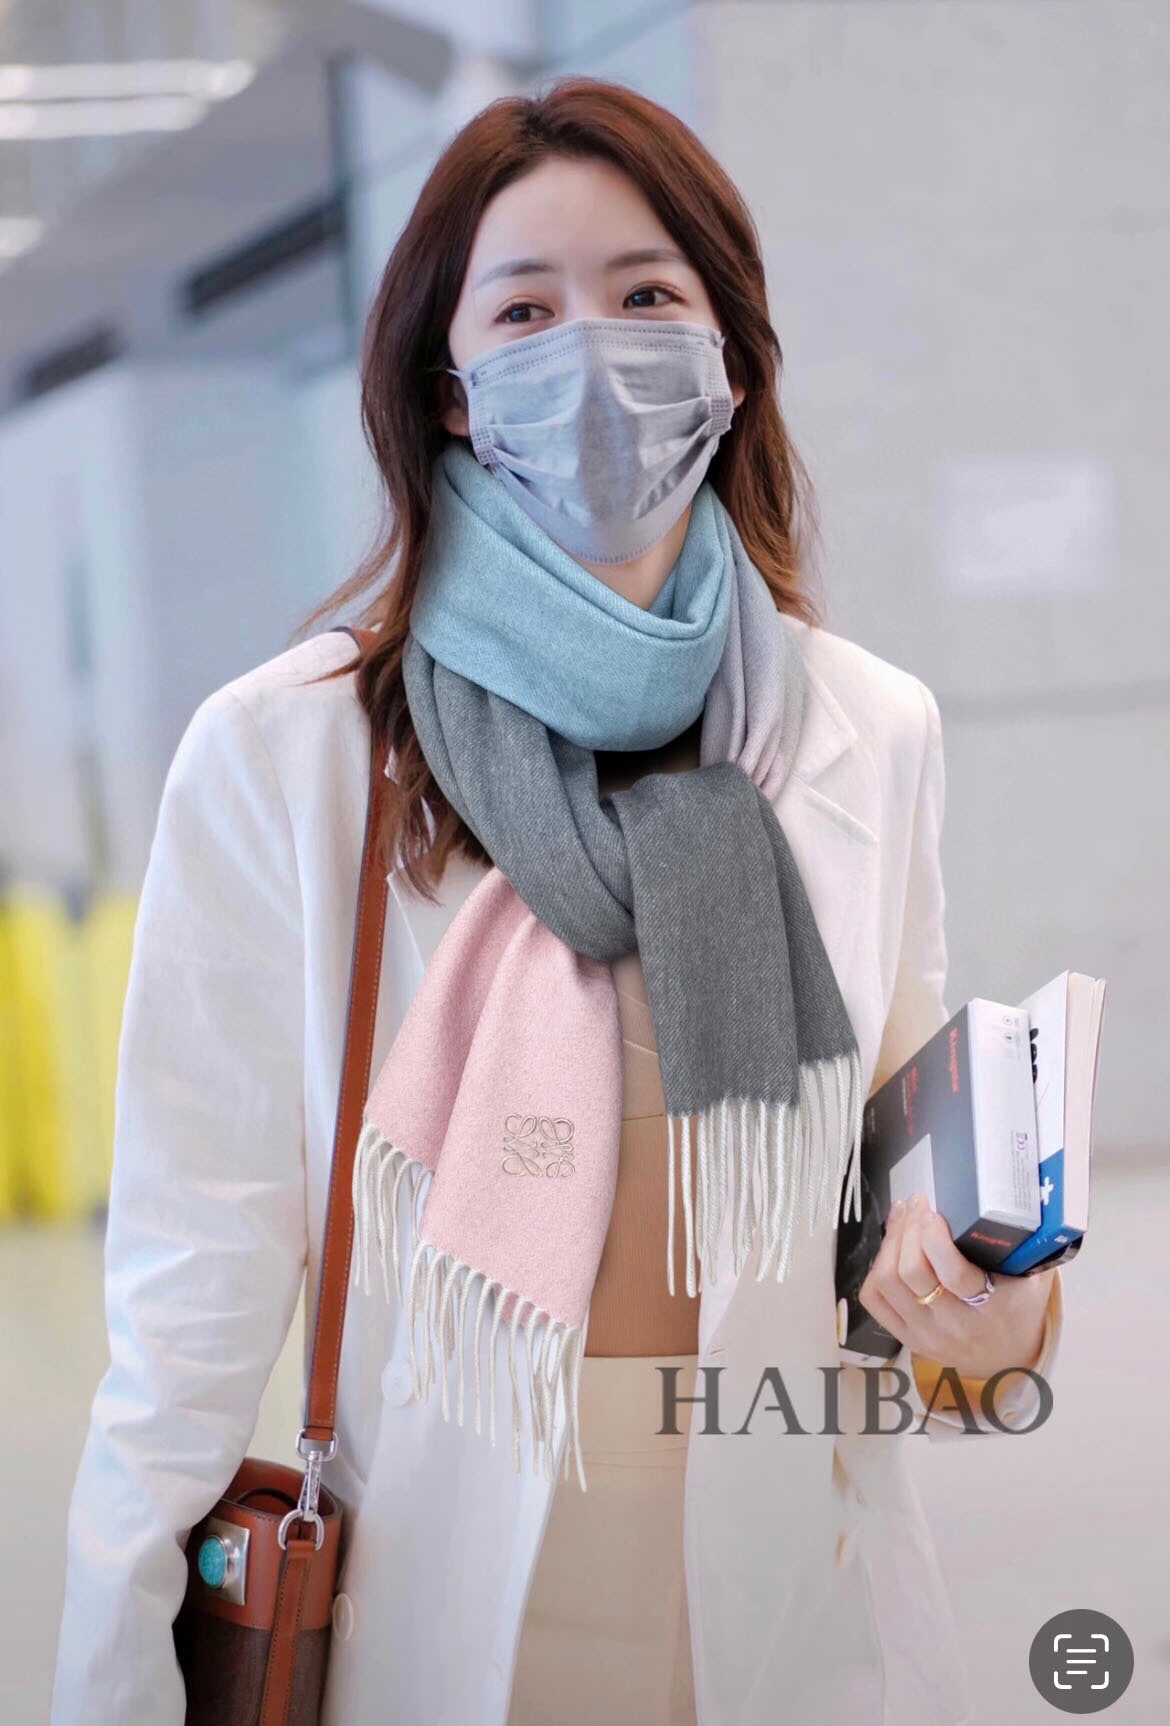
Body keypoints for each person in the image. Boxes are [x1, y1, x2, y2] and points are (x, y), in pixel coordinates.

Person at [50, 75, 1063, 1726]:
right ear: (450, 393)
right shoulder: (291, 755)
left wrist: (996, 1313)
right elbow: (187, 1307)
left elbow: (895, 1235)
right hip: (437, 1609)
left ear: (729, 363)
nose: (592, 353)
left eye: (647, 296)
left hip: (781, 1606)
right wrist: (106, 1682)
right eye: (524, 308)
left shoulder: (868, 731)